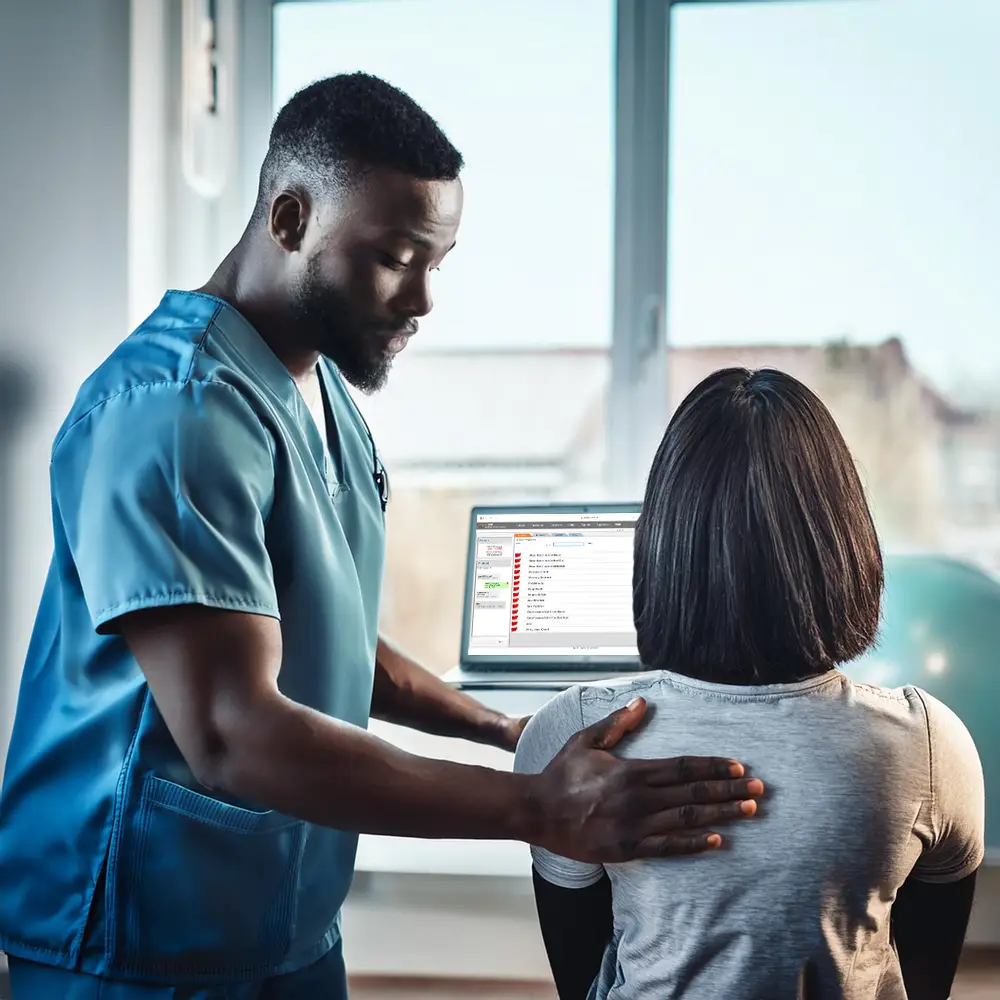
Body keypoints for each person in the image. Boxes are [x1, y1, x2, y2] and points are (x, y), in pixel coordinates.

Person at [0, 75, 765, 999]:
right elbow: (230, 732)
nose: (423, 300)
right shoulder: (173, 415)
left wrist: (506, 730)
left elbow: (327, 639)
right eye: (397, 258)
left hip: (282, 926)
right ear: (289, 219)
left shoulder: (321, 393)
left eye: (437, 263)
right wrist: (535, 809)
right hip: (137, 939)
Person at [514, 368, 985, 1000]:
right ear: (841, 540)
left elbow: (582, 979)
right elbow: (929, 978)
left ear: (663, 542)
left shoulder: (572, 738)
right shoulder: (929, 743)